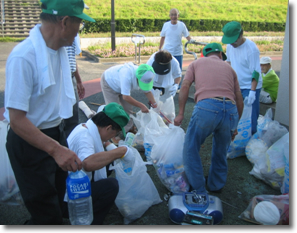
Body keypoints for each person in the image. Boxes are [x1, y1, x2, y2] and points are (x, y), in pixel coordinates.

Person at [4, 0, 95, 225]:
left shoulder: (59, 51)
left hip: (55, 132)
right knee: (46, 212)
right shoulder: (24, 57)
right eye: (79, 23)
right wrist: (56, 150)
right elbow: (16, 120)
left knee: (60, 198)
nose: (78, 31)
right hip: (29, 142)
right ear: (64, 22)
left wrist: (59, 144)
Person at [174, 43, 243, 193]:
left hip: (207, 107)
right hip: (230, 110)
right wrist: (235, 126)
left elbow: (184, 86)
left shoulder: (196, 63)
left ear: (205, 54)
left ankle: (198, 188)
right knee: (220, 151)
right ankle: (215, 185)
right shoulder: (230, 69)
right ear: (220, 55)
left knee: (191, 148)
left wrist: (180, 113)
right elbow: (239, 99)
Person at [64, 102, 133, 225]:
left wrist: (108, 144)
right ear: (108, 128)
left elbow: (99, 146)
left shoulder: (86, 127)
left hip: (69, 183)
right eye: (115, 133)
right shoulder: (85, 137)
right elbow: (87, 163)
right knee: (111, 185)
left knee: (107, 163)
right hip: (70, 199)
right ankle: (93, 222)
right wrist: (121, 151)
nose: (114, 137)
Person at [222, 21, 262, 135]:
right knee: (235, 113)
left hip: (250, 86)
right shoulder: (230, 46)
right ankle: (237, 137)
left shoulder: (251, 49)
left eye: (234, 40)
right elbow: (228, 62)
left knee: (251, 115)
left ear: (240, 35)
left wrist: (253, 92)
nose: (231, 44)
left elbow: (255, 72)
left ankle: (251, 139)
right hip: (237, 85)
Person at [100, 63, 158, 143]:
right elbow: (126, 97)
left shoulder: (144, 74)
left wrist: (155, 105)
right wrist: (141, 105)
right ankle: (114, 135)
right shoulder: (126, 75)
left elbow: (147, 91)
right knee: (114, 112)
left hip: (121, 84)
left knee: (128, 109)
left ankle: (129, 128)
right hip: (109, 83)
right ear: (137, 78)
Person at [159, 8, 194, 91]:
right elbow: (162, 37)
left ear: (178, 16)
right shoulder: (166, 25)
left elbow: (187, 36)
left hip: (178, 51)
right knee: (165, 69)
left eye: (175, 14)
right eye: (172, 14)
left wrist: (192, 41)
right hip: (167, 51)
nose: (174, 16)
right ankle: (163, 86)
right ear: (170, 16)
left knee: (178, 70)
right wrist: (159, 48)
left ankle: (177, 86)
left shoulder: (182, 25)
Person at [64, 33, 85, 137]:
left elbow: (72, 58)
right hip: (61, 78)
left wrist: (78, 80)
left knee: (73, 112)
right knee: (62, 115)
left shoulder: (72, 35)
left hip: (71, 76)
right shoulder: (59, 38)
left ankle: (72, 140)